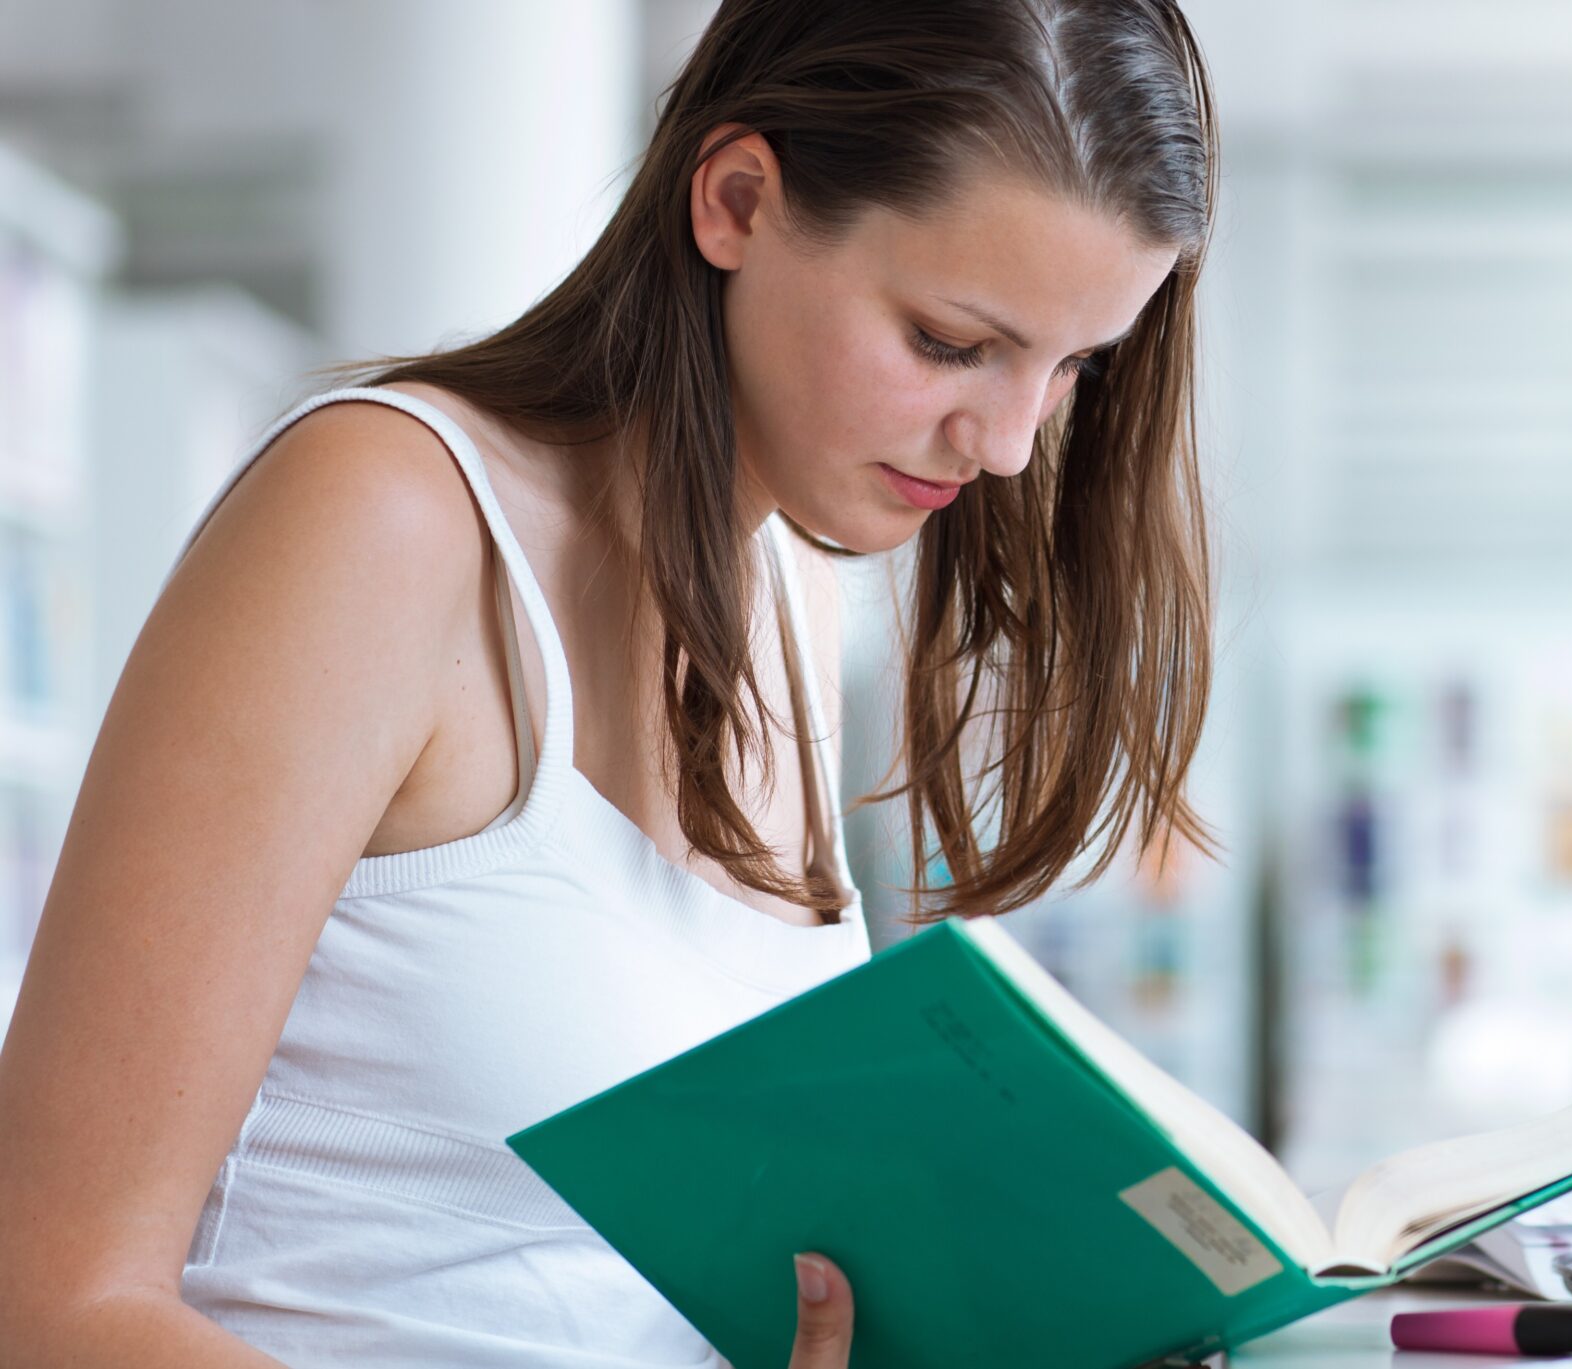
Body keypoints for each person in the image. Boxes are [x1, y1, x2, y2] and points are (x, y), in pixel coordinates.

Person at [0, 0, 1218, 1363]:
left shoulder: (786, 603)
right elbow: (51, 1299)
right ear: (737, 201)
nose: (1003, 445)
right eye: (949, 342)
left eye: (1070, 368)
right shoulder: (383, 521)